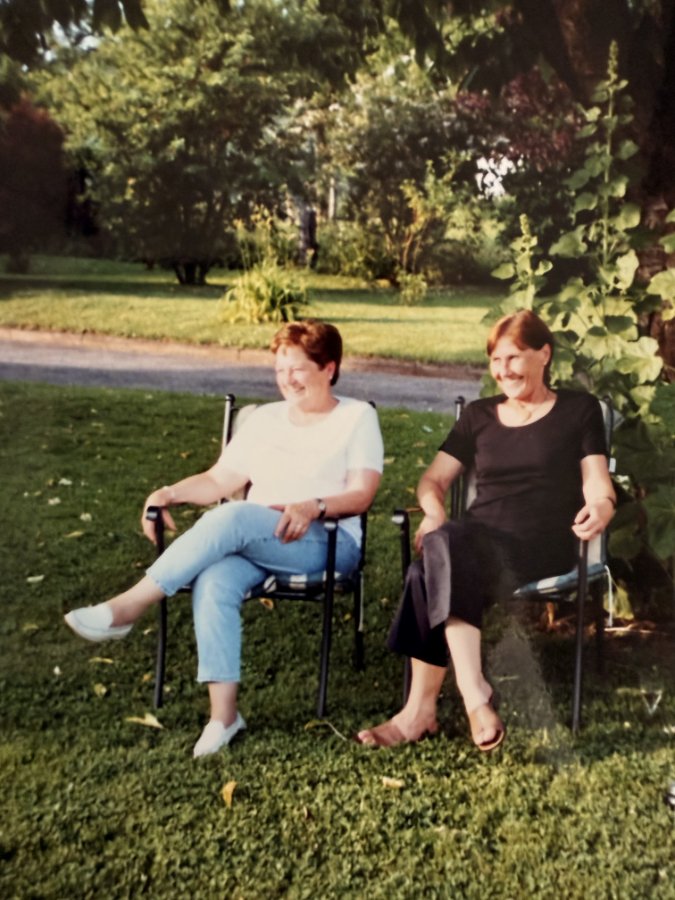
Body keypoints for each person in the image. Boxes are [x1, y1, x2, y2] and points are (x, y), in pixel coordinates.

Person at [65, 320, 384, 757]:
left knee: (233, 515)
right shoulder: (266, 419)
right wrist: (167, 493)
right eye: (280, 370)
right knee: (215, 578)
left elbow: (363, 494)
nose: (287, 380)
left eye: (298, 369)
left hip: (326, 542)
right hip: (258, 538)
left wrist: (314, 505)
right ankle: (224, 716)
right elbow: (219, 480)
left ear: (329, 368)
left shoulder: (356, 417)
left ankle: (130, 606)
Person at [357, 309, 616, 752]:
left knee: (434, 561)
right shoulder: (479, 416)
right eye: (496, 360)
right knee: (433, 558)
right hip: (476, 542)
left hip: (538, 544)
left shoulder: (578, 410)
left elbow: (596, 479)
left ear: (544, 355)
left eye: (514, 357)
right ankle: (457, 700)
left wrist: (601, 505)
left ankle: (434, 706)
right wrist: (433, 513)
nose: (503, 370)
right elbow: (432, 480)